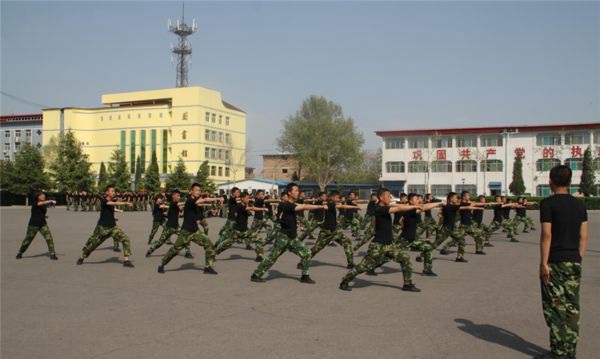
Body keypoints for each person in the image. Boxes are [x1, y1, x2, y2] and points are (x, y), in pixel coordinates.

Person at [536, 165, 588, 359]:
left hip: (555, 261)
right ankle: (570, 349)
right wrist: (579, 256)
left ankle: (558, 352)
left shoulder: (548, 203)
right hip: (574, 260)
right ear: (570, 182)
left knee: (555, 307)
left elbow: (546, 234)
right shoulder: (579, 204)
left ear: (550, 181)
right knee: (573, 306)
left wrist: (544, 263)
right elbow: (584, 235)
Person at [339, 188, 421, 292]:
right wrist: (414, 206)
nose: (390, 198)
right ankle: (345, 280)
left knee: (405, 258)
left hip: (388, 245)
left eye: (390, 196)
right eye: (388, 196)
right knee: (364, 266)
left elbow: (397, 206)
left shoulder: (385, 206)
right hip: (377, 245)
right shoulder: (378, 208)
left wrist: (412, 206)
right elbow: (398, 209)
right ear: (381, 197)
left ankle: (407, 284)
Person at [251, 183, 327, 284]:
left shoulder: (291, 204)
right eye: (295, 190)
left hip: (292, 237)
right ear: (289, 192)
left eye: (298, 190)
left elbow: (300, 205)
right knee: (272, 258)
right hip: (283, 237)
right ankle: (256, 274)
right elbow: (304, 206)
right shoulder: (286, 205)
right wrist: (320, 207)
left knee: (307, 253)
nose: (297, 192)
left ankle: (305, 276)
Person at [158, 183, 222, 274]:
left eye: (199, 190)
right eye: (196, 190)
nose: (198, 192)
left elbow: (199, 207)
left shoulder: (195, 201)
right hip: (186, 232)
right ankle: (162, 264)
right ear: (191, 191)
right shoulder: (189, 200)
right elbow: (204, 200)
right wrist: (217, 198)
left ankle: (208, 267)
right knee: (175, 250)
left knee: (209, 246)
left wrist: (198, 220)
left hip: (195, 231)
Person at [76, 185, 135, 267]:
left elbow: (111, 208)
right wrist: (125, 203)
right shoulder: (104, 200)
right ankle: (82, 257)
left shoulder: (112, 199)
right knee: (93, 245)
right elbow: (111, 203)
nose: (114, 192)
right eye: (112, 191)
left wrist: (114, 217)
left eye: (114, 191)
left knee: (125, 239)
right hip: (103, 228)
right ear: (107, 192)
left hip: (113, 227)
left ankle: (126, 261)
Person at [301, 190, 358, 269]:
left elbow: (341, 206)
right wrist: (323, 207)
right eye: (337, 197)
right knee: (316, 249)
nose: (338, 199)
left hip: (334, 231)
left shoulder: (332, 204)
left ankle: (350, 263)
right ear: (332, 197)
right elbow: (330, 207)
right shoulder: (330, 204)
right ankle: (303, 261)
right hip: (326, 232)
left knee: (347, 242)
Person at [215, 191, 269, 262]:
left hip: (245, 231)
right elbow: (252, 208)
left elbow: (248, 211)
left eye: (249, 198)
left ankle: (259, 256)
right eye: (247, 198)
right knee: (225, 245)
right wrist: (263, 209)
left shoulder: (245, 205)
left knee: (258, 239)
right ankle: (213, 253)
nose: (248, 200)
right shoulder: (240, 206)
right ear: (242, 199)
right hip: (237, 232)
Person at [399, 193, 443, 276]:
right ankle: (371, 266)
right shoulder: (409, 209)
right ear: (411, 201)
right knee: (388, 255)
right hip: (404, 240)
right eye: (416, 199)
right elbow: (425, 207)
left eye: (418, 199)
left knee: (428, 248)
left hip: (412, 239)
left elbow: (425, 205)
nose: (418, 201)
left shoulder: (412, 208)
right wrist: (439, 203)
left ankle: (427, 270)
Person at [146, 190, 193, 258]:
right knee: (160, 242)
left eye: (179, 196)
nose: (179, 197)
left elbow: (180, 209)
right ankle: (150, 250)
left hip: (176, 227)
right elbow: (180, 204)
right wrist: (188, 201)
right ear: (173, 196)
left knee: (186, 237)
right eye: (178, 196)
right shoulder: (173, 203)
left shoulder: (176, 204)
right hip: (168, 228)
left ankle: (188, 253)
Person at [16, 192, 58, 260]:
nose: (43, 196)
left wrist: (44, 216)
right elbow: (40, 204)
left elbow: (39, 211)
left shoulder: (44, 204)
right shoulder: (35, 202)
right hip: (33, 225)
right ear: (37, 197)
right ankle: (20, 252)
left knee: (49, 238)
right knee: (28, 240)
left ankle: (52, 254)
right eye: (41, 195)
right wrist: (50, 200)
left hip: (43, 224)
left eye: (43, 195)